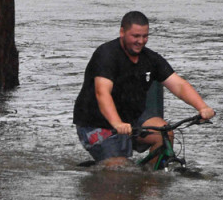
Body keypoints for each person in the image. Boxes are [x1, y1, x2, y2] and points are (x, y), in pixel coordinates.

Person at [73, 11, 215, 167]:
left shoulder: (150, 58)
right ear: (122, 32)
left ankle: (152, 181)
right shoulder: (106, 55)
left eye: (145, 36)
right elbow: (102, 93)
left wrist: (202, 107)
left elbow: (179, 85)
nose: (141, 41)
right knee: (120, 170)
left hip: (131, 119)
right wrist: (117, 123)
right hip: (96, 123)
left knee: (164, 133)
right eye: (135, 36)